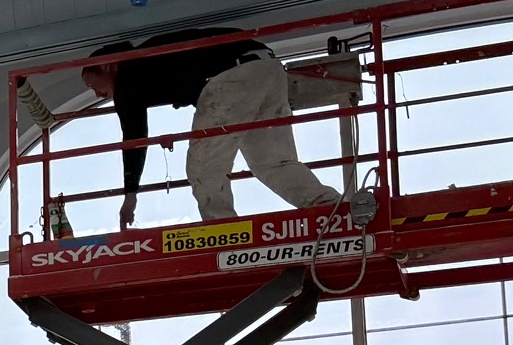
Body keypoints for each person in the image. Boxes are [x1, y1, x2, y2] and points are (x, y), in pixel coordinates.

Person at [82, 30, 345, 227]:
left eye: (94, 84)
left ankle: (223, 230)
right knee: (274, 163)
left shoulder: (128, 72)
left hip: (231, 77)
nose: (97, 94)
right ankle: (328, 206)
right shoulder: (150, 58)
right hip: (267, 67)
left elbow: (134, 134)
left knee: (203, 167)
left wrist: (130, 194)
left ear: (108, 65)